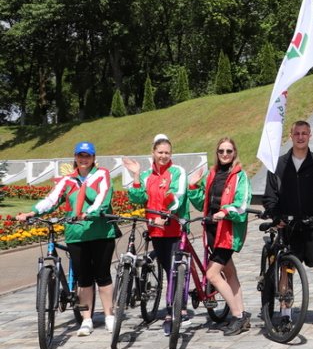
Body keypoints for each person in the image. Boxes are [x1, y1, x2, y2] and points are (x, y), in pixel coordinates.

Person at [17, 141, 117, 336]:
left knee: (103, 276)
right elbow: (52, 199)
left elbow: (103, 198)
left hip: (100, 232)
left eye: (87, 156)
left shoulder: (101, 174)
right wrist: (32, 212)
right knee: (84, 278)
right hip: (76, 234)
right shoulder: (68, 180)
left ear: (94, 158)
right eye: (80, 155)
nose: (84, 159)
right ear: (75, 157)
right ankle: (86, 320)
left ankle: (109, 316)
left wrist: (89, 212)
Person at [263, 120, 313, 329]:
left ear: (310, 136)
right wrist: (276, 216)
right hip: (289, 227)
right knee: (286, 269)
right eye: (297, 133)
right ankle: (286, 313)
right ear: (291, 136)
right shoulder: (279, 165)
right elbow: (270, 197)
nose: (301, 137)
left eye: (304, 133)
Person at [123, 134, 190, 335]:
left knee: (176, 270)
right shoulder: (146, 176)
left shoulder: (177, 171)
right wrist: (135, 176)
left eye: (167, 152)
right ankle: (173, 305)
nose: (163, 156)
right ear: (153, 152)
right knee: (166, 267)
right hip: (156, 230)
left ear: (171, 154)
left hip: (175, 228)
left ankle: (176, 309)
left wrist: (167, 216)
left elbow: (178, 195)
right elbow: (137, 198)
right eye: (160, 152)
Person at [188, 137, 252, 335]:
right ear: (217, 153)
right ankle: (242, 313)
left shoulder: (240, 176)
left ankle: (237, 316)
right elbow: (203, 204)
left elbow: (242, 204)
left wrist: (225, 212)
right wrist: (192, 187)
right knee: (230, 273)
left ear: (234, 153)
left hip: (228, 232)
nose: (225, 154)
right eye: (221, 151)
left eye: (229, 151)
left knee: (212, 274)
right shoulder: (212, 174)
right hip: (212, 231)